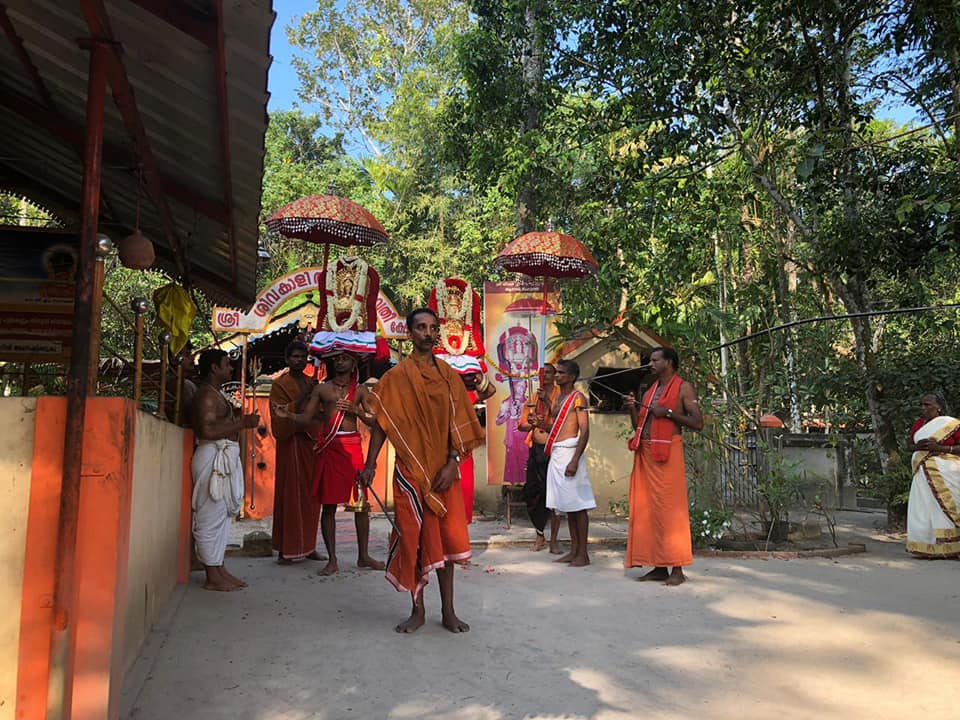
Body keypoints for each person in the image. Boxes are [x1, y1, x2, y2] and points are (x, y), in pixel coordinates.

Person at [359, 308, 485, 633]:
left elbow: (462, 427)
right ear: (409, 332)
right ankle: (417, 610)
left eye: (432, 328)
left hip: (443, 474)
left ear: (437, 334)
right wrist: (370, 464)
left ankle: (448, 611)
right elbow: (382, 427)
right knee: (414, 540)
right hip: (410, 474)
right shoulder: (394, 379)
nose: (427, 333)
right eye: (420, 327)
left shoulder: (449, 377)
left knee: (445, 542)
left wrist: (453, 462)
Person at [276, 351, 386, 575]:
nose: (339, 361)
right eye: (336, 358)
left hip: (353, 448)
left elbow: (375, 419)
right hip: (329, 447)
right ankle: (332, 559)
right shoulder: (322, 389)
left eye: (344, 358)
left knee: (361, 505)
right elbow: (306, 418)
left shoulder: (361, 390)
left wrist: (356, 410)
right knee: (328, 505)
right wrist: (287, 416)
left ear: (353, 362)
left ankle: (363, 556)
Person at [623, 347, 703, 586]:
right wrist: (631, 408)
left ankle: (677, 568)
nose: (651, 364)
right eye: (650, 360)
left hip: (669, 452)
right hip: (646, 453)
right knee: (648, 511)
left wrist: (668, 413)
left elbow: (698, 423)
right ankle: (658, 566)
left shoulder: (683, 387)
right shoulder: (650, 391)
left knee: (670, 510)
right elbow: (640, 424)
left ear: (669, 362)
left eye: (656, 360)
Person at [191, 348, 260, 591]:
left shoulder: (215, 394)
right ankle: (212, 576)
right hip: (212, 457)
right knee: (209, 516)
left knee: (221, 516)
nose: (231, 369)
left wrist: (237, 419)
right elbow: (206, 431)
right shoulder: (206, 396)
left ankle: (218, 568)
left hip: (222, 457)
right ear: (214, 368)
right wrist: (242, 422)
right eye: (227, 365)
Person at [268, 341, 325, 564]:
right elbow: (280, 415)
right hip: (291, 444)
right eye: (295, 357)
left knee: (312, 497)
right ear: (287, 360)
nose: (299, 360)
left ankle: (308, 546)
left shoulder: (312, 382)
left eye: (303, 356)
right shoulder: (280, 385)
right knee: (290, 496)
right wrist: (305, 397)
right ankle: (286, 549)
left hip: (311, 444)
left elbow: (319, 412)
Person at [544, 360, 595, 566]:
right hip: (557, 453)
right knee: (567, 506)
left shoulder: (578, 398)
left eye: (561, 373)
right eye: (556, 372)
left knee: (578, 506)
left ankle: (583, 554)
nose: (557, 376)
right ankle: (574, 551)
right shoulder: (559, 398)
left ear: (572, 377)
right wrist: (543, 424)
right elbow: (558, 426)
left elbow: (585, 430)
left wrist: (574, 459)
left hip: (570, 453)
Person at [906, 392, 960, 558]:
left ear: (939, 407)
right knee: (925, 509)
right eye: (922, 404)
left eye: (927, 405)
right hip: (922, 474)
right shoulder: (918, 425)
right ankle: (927, 547)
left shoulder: (951, 424)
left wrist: (942, 449)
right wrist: (917, 447)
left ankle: (953, 548)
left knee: (946, 509)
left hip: (947, 472)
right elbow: (908, 446)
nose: (924, 408)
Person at [517, 363, 563, 552]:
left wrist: (548, 403)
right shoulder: (534, 397)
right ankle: (539, 536)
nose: (547, 378)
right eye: (543, 375)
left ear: (555, 376)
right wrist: (532, 422)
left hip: (554, 451)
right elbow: (522, 425)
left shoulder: (560, 395)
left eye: (550, 374)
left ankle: (554, 539)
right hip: (535, 451)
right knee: (533, 492)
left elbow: (562, 419)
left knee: (554, 495)